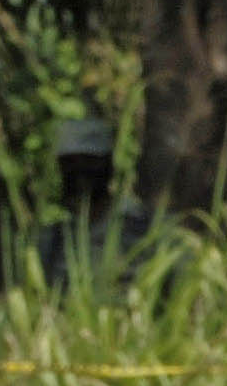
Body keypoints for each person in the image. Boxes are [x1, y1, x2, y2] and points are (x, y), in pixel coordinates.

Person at [30, 117, 152, 298]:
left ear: (109, 165)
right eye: (70, 163)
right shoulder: (51, 240)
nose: (80, 171)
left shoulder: (142, 229)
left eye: (90, 161)